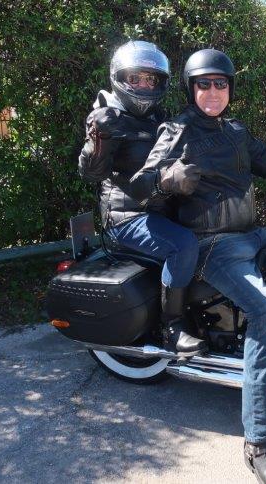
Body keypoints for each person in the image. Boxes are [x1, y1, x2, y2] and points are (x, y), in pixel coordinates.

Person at [144, 48, 266, 484]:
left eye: (221, 84)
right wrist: (166, 180)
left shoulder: (235, 130)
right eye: (204, 84)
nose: (213, 92)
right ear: (191, 89)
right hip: (213, 245)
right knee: (265, 311)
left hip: (252, 235)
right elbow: (142, 184)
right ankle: (260, 444)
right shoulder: (176, 131)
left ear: (230, 88)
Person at [77, 40, 205, 356]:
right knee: (183, 245)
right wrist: (98, 140)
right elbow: (91, 173)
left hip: (158, 209)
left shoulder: (156, 117)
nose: (144, 86)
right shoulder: (107, 116)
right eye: (136, 78)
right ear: (120, 78)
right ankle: (172, 328)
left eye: (150, 79)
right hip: (126, 218)